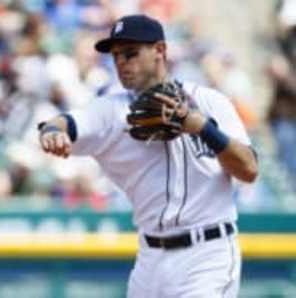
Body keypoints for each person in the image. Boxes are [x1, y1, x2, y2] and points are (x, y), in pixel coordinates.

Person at [37, 15, 258, 298]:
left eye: (131, 53)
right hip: (150, 262)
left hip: (207, 255)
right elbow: (64, 122)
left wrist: (203, 128)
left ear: (160, 51)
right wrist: (52, 132)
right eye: (116, 56)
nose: (121, 63)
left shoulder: (209, 102)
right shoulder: (111, 112)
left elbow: (249, 170)